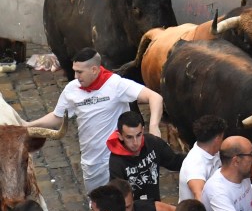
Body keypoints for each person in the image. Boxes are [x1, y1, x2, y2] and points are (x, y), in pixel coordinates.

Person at [25, 47, 163, 192]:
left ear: (94, 70)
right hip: (91, 162)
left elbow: (155, 97)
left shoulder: (116, 84)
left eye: (80, 72)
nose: (76, 76)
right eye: (74, 71)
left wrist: (154, 126)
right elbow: (57, 117)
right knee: (97, 204)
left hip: (117, 159)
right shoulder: (72, 89)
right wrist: (29, 125)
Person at [108, 111, 186, 201]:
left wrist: (199, 157)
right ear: (120, 136)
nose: (135, 142)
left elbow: (175, 161)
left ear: (143, 130)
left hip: (154, 207)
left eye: (138, 135)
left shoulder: (153, 143)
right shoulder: (116, 161)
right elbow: (117, 196)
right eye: (129, 137)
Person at [179, 115, 227, 201]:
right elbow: (199, 195)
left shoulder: (214, 153)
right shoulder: (195, 163)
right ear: (217, 138)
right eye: (222, 137)